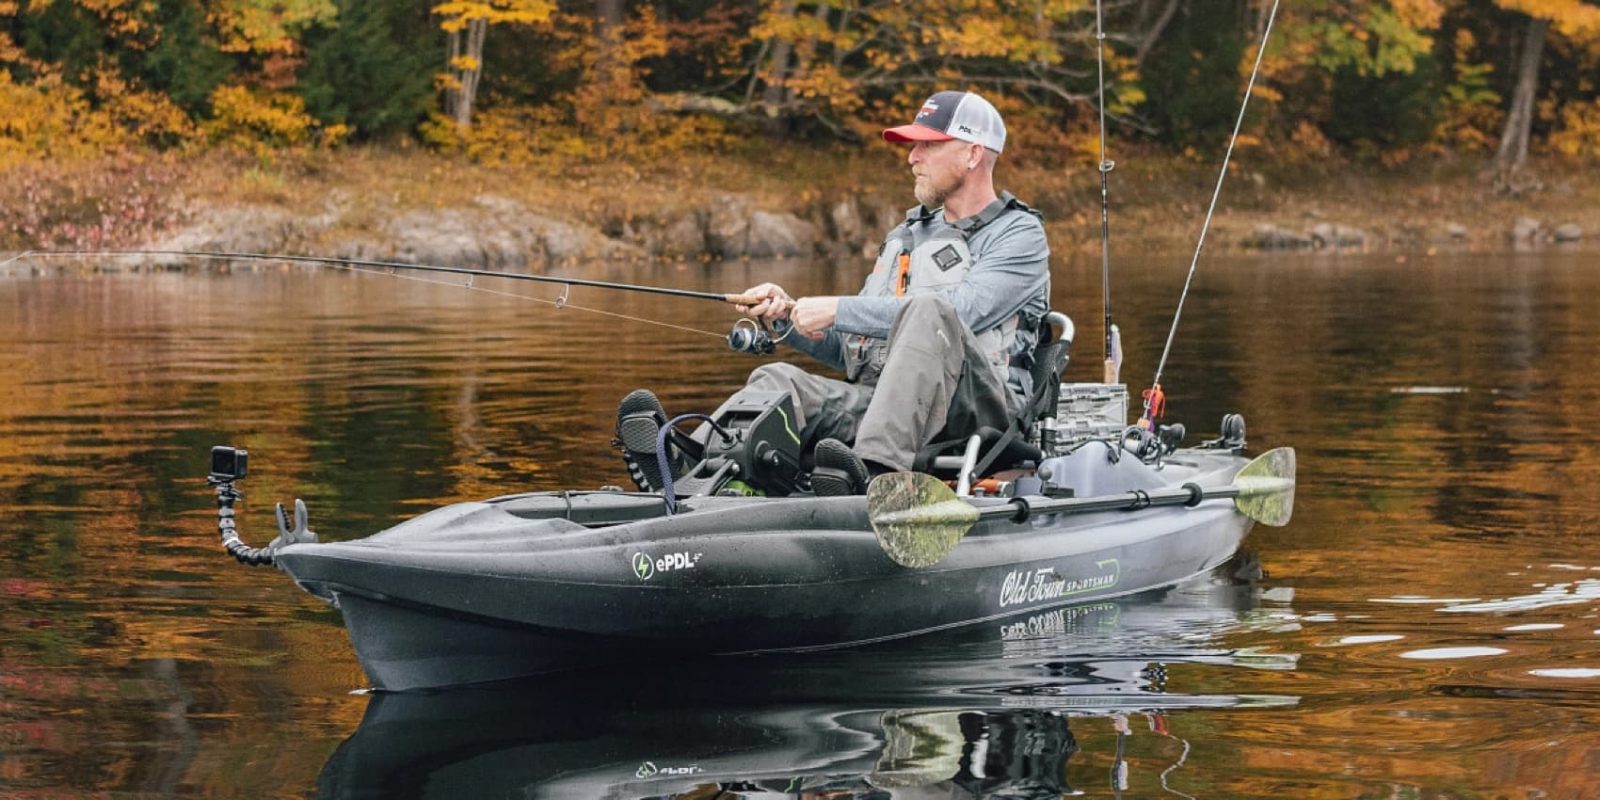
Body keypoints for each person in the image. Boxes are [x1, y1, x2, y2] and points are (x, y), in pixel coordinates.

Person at [619, 90, 1050, 496]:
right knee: (779, 380)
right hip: (886, 408)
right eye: (912, 146)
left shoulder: (1019, 234)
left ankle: (874, 479)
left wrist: (838, 309)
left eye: (927, 146)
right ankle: (686, 468)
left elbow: (963, 310)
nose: (911, 157)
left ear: (973, 153)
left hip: (979, 413)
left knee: (930, 311)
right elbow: (852, 351)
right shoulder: (905, 237)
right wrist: (786, 319)